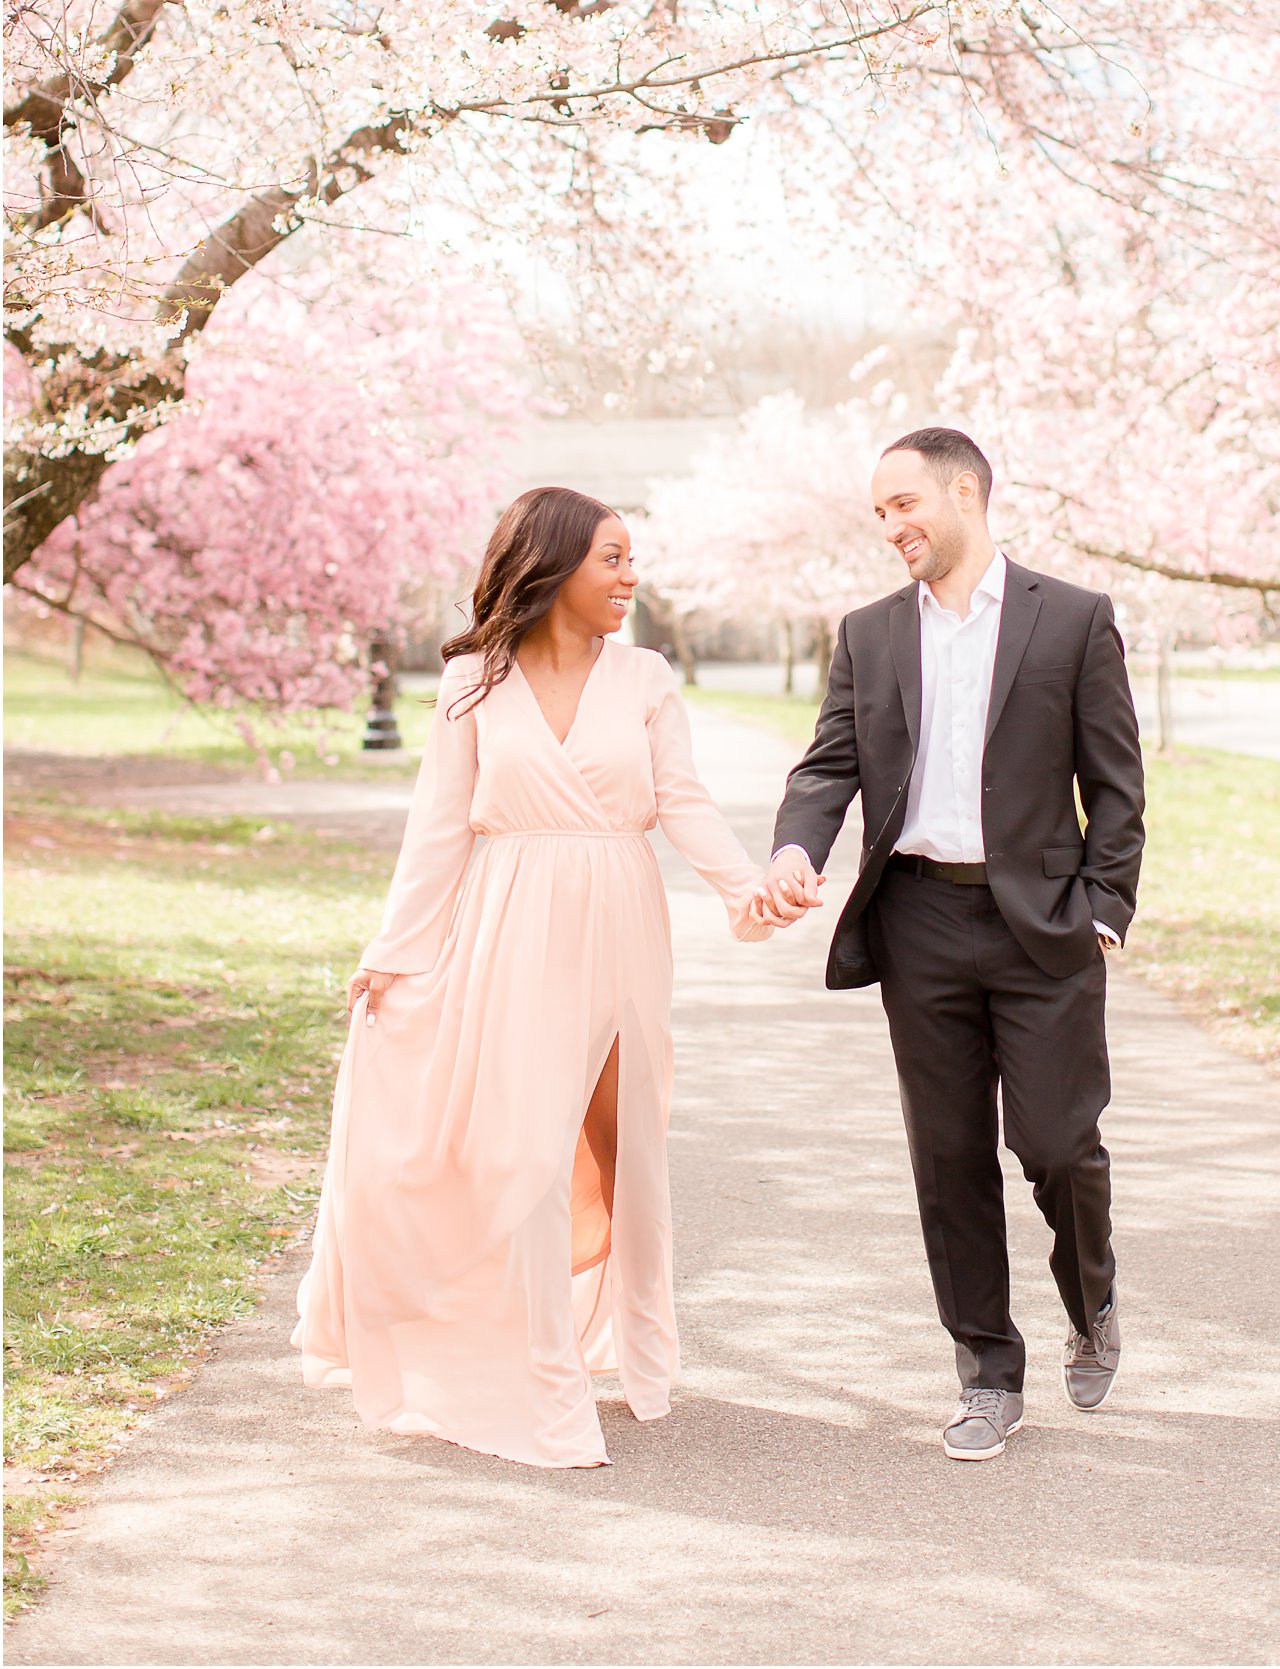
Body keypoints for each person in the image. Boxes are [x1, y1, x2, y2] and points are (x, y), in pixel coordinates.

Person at [294, 487, 779, 1468]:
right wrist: (391, 952)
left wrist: (747, 890)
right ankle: (540, 1382)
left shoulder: (644, 678)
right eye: (611, 558)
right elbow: (436, 832)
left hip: (622, 922)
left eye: (630, 557)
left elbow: (680, 801)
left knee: (621, 1148)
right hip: (510, 922)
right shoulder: (472, 681)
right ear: (554, 566)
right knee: (520, 1160)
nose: (629, 577)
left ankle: (633, 1356)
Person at [767, 428, 1145, 1461]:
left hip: (1043, 924)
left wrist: (1102, 906)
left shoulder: (1069, 620)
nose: (890, 526)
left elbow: (1114, 786)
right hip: (918, 920)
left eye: (902, 504)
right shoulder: (869, 633)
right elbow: (824, 766)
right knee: (947, 1158)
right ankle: (986, 1371)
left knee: (1056, 1145)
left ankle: (1091, 1295)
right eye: (878, 512)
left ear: (964, 492)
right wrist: (796, 850)